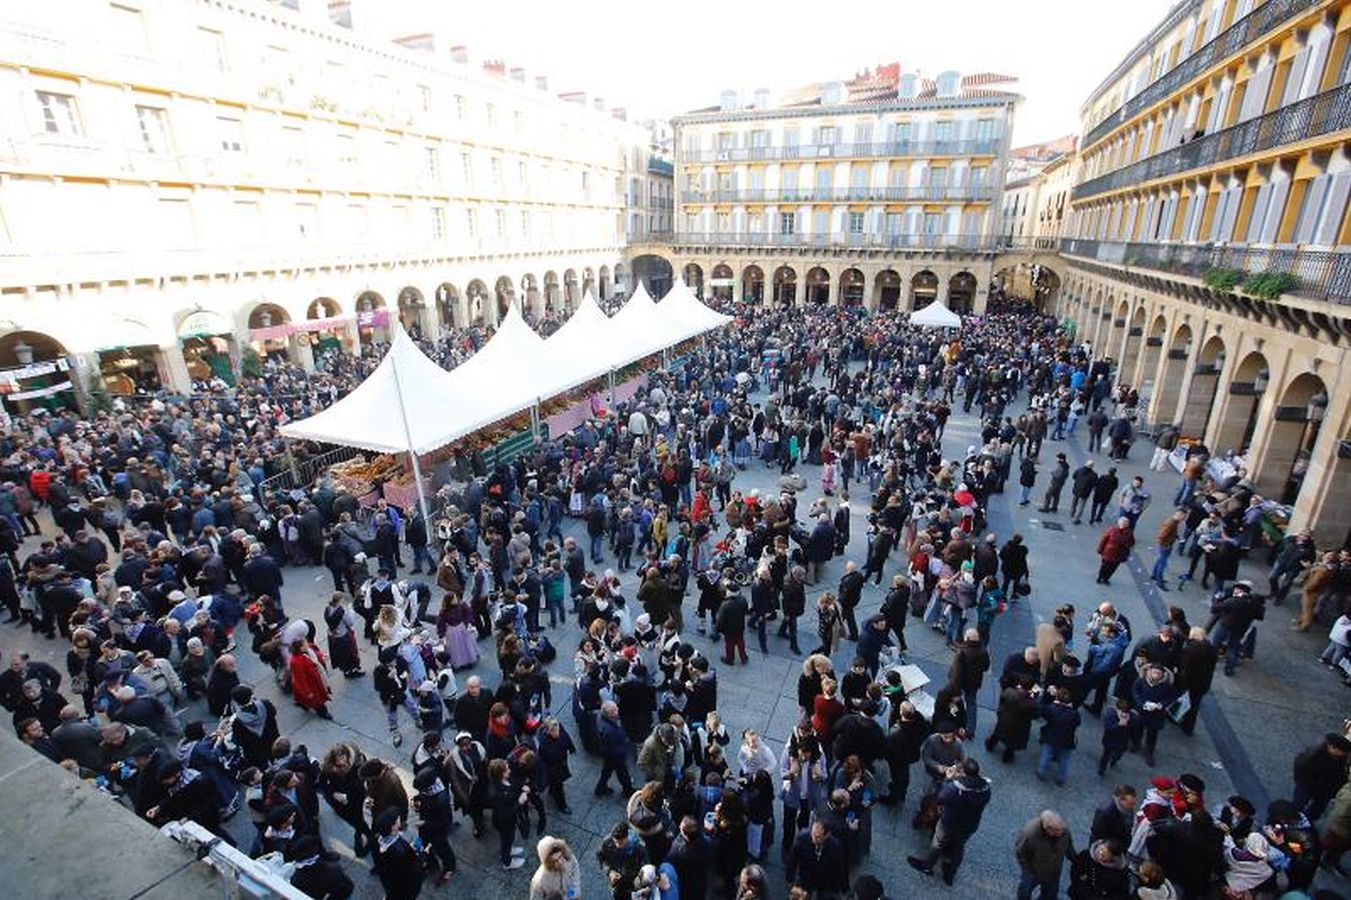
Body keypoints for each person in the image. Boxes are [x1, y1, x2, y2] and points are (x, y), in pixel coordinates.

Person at [906, 758, 991, 885]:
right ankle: (950, 874)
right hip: (970, 825)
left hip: (950, 822)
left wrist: (948, 779)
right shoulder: (986, 788)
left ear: (964, 772)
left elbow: (941, 797)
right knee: (959, 847)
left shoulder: (956, 788)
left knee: (938, 843)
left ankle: (927, 866)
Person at [1014, 810, 1074, 900]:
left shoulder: (1064, 832)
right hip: (1034, 871)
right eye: (1058, 830)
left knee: (1050, 896)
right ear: (1048, 829)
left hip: (1053, 873)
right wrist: (1029, 871)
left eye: (1062, 828)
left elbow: (1069, 848)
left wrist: (1078, 861)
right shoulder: (1030, 833)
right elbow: (1020, 852)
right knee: (1025, 892)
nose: (1062, 831)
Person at [1292, 732, 1351, 821]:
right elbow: (1301, 772)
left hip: (1324, 790)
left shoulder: (1340, 756)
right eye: (1342, 752)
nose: (1344, 754)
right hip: (1309, 787)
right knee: (1298, 804)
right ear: (1334, 748)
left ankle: (1305, 821)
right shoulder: (1313, 756)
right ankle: (1292, 819)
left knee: (1316, 810)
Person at [369, 808, 423, 900]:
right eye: (397, 820)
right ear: (392, 827)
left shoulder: (377, 839)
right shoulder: (401, 851)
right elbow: (413, 868)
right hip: (404, 885)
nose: (399, 820)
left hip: (388, 879)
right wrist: (421, 853)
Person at [785, 820, 849, 898]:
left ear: (827, 835)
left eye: (818, 837)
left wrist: (844, 886)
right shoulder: (802, 839)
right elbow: (793, 859)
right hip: (806, 876)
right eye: (812, 834)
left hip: (826, 879)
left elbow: (841, 868)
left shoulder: (835, 847)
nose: (813, 839)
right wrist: (789, 878)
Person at [1037, 685, 1081, 786]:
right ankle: (1061, 778)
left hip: (1051, 737)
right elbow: (1077, 722)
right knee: (1064, 760)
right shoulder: (1075, 714)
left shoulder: (1051, 709)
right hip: (1067, 739)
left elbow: (1044, 713)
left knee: (1046, 755)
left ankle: (1041, 772)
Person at [595, 700, 635, 797]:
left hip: (608, 753)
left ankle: (600, 788)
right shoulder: (609, 731)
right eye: (615, 710)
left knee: (607, 771)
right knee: (622, 773)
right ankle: (628, 790)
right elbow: (615, 748)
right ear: (610, 714)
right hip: (615, 756)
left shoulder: (601, 718)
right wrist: (623, 751)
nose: (618, 710)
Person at [530, 836, 581, 900]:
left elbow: (576, 880)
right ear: (548, 862)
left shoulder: (570, 859)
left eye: (560, 856)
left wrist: (570, 895)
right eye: (555, 860)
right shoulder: (539, 881)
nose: (560, 862)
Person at [1095, 518, 1135, 586]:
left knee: (1111, 568)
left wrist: (1126, 545)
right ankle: (1101, 577)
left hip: (1117, 554)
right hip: (1111, 553)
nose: (1123, 525)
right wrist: (1100, 549)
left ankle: (1104, 578)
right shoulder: (1113, 530)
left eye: (1125, 524)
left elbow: (1132, 543)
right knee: (1106, 566)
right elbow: (1104, 539)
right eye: (1122, 523)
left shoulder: (1128, 533)